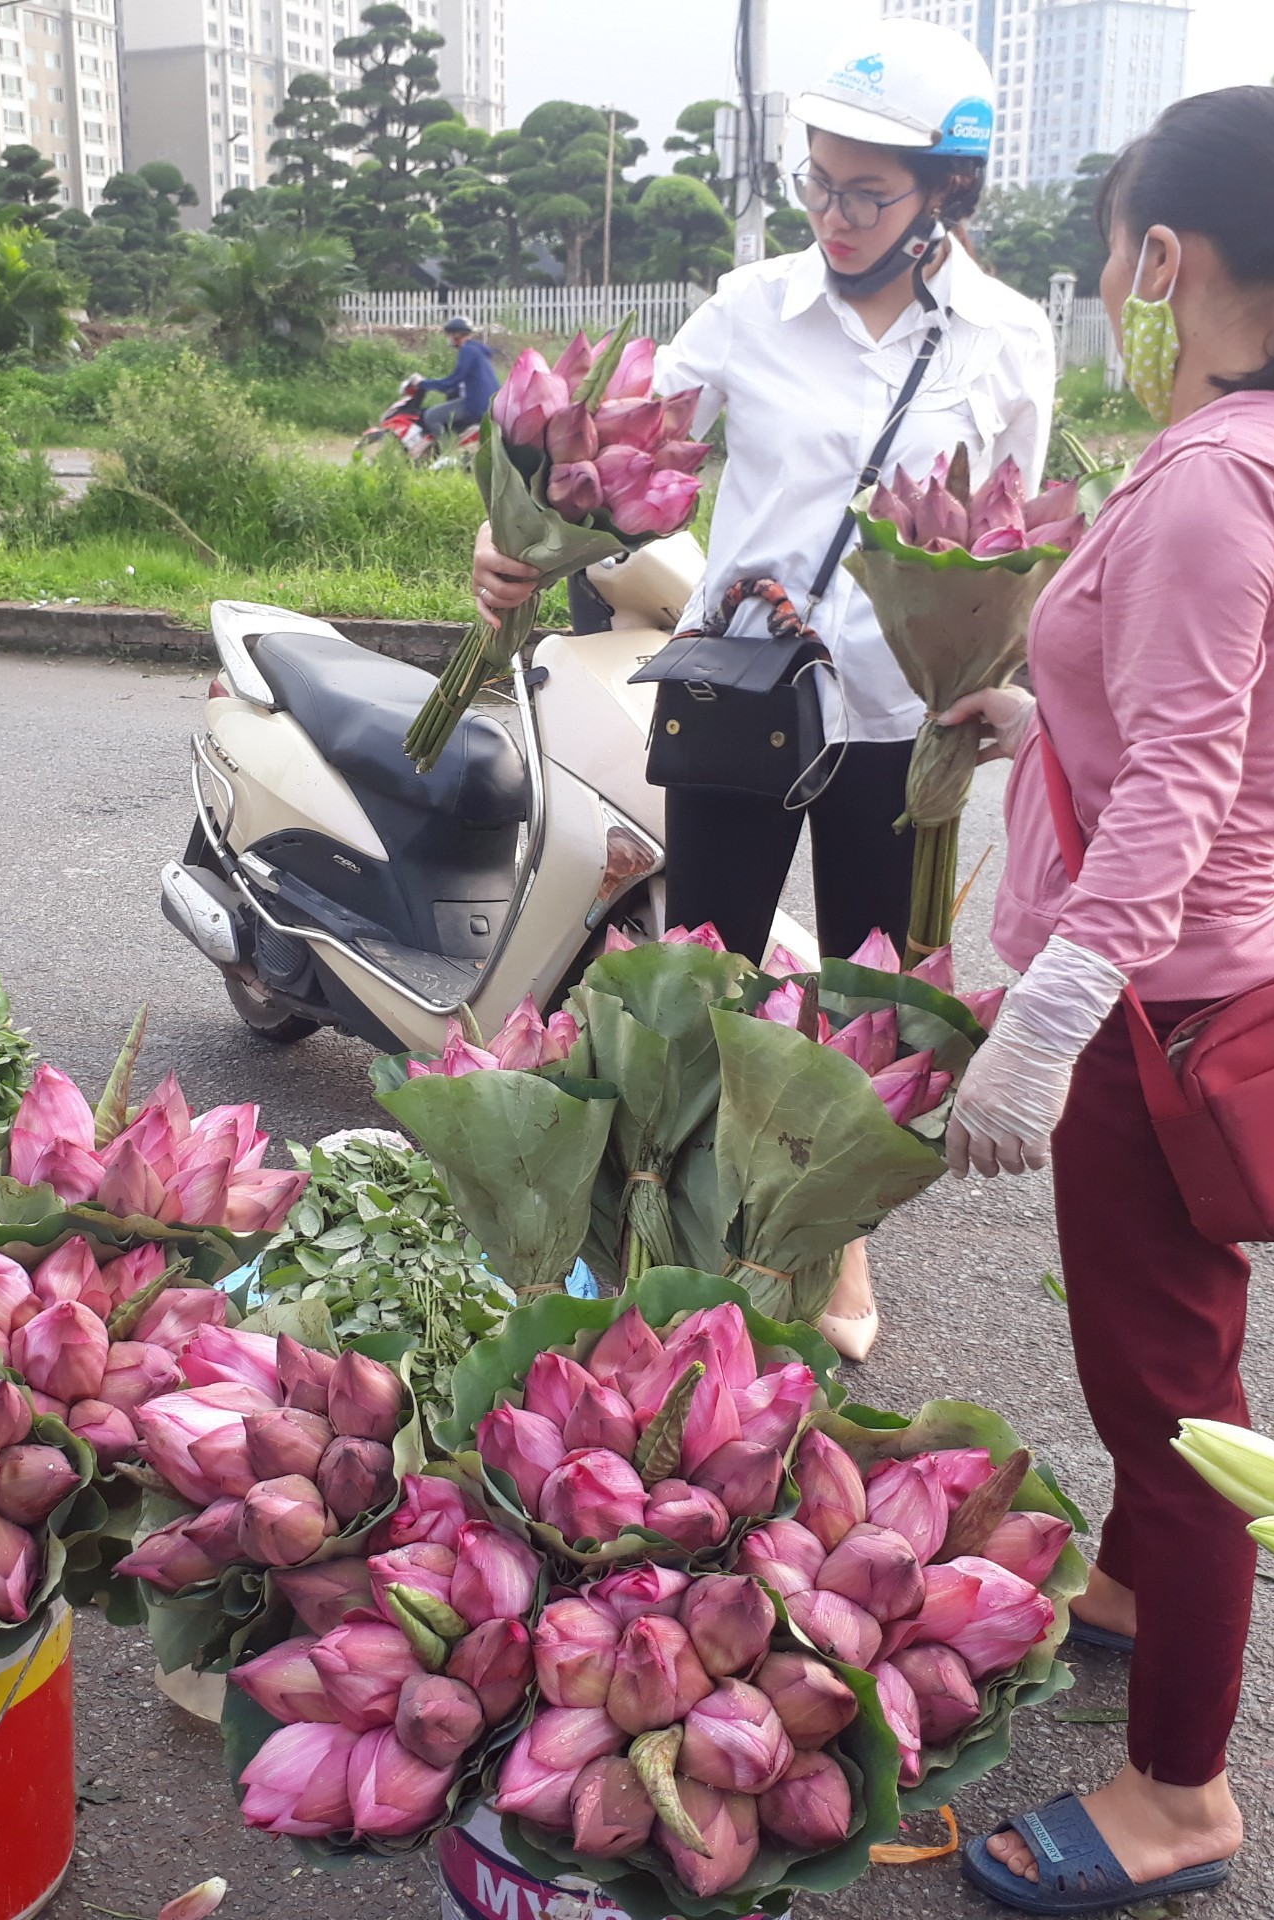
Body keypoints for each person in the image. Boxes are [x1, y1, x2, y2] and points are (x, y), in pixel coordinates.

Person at [936, 86, 1274, 1914]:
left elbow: (1186, 788)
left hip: (1157, 1006)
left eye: (1122, 252)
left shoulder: (1216, 479)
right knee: (1162, 1346)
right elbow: (1206, 713)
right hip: (1223, 968)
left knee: (1172, 1402)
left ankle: (1184, 1794)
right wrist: (1043, 717)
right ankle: (1130, 1600)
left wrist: (1046, 1026)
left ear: (1165, 257)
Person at [472, 20, 1057, 1359]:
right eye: (817, 182)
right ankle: (704, 1239)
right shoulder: (750, 308)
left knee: (876, 1000)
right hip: (740, 697)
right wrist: (513, 534)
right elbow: (619, 462)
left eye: (869, 192)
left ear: (947, 195)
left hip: (903, 728)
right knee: (714, 980)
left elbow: (1009, 532)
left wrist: (1010, 678)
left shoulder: (1009, 338)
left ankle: (827, 1241)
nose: (834, 215)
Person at [417, 316, 498, 442]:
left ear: (457, 335)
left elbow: (452, 381)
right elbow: (462, 381)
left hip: (477, 405)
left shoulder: (467, 350)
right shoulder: (478, 349)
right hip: (492, 405)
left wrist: (423, 383)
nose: (448, 339)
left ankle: (447, 451)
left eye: (449, 335)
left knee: (431, 416)